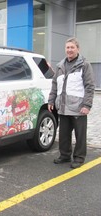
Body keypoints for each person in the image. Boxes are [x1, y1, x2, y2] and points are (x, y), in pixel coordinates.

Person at [48, 37, 95, 169]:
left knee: (80, 135)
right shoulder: (60, 66)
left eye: (72, 47)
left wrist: (87, 105)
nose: (69, 50)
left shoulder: (84, 65)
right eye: (67, 47)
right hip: (63, 106)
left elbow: (90, 86)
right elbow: (54, 85)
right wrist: (51, 100)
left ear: (77, 49)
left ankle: (79, 158)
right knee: (63, 134)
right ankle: (64, 155)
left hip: (78, 107)